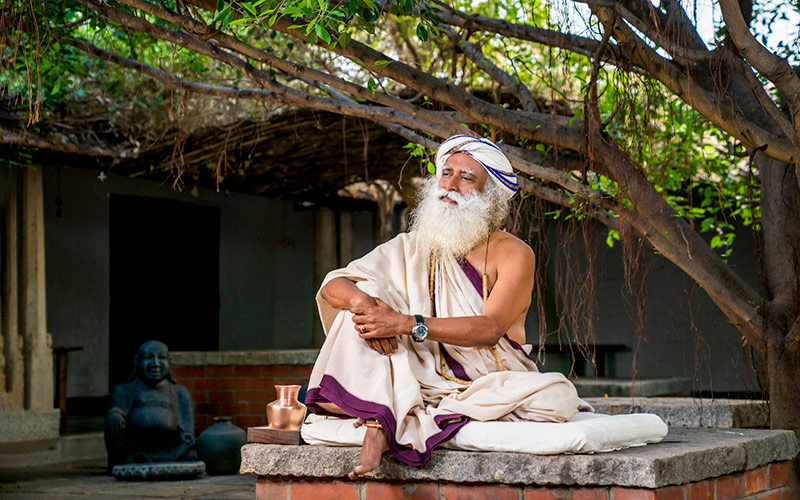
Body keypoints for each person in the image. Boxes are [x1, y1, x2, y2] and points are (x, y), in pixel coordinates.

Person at [305, 135, 590, 480]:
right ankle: (382, 419)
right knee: (363, 300)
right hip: (417, 370)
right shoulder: (414, 247)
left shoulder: (514, 253)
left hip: (487, 378)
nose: (450, 185)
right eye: (446, 173)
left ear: (492, 195)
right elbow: (334, 286)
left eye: (467, 178)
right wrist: (364, 303)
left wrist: (405, 324)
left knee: (556, 398)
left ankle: (384, 416)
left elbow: (490, 328)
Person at [104, 340, 197, 471]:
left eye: (162, 357)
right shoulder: (124, 390)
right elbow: (116, 408)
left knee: (194, 453)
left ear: (169, 362)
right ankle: (124, 459)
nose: (156, 363)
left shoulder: (179, 392)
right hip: (134, 448)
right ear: (137, 361)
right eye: (148, 357)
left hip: (172, 447)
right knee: (112, 418)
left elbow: (187, 424)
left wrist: (187, 437)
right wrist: (115, 414)